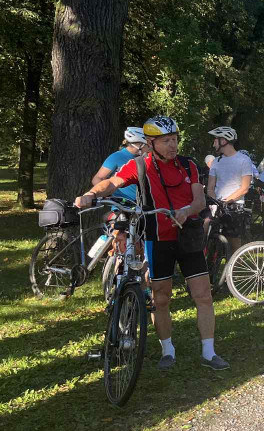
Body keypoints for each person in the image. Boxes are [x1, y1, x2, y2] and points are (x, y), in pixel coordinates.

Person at [75, 116, 227, 371]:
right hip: (157, 239)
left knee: (203, 295)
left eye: (175, 140)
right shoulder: (140, 165)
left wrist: (186, 210)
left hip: (188, 237)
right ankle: (168, 351)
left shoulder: (188, 165)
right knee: (161, 298)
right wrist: (91, 194)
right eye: (166, 141)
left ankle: (209, 352)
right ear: (150, 142)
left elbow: (199, 200)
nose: (172, 145)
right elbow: (111, 182)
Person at [206, 126, 252, 255]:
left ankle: (235, 271)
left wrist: (227, 201)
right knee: (210, 238)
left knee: (234, 244)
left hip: (235, 206)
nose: (214, 142)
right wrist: (215, 202)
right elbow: (210, 186)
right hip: (217, 205)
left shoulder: (244, 160)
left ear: (224, 141)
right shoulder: (216, 162)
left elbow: (244, 187)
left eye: (216, 139)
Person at [92, 127, 149, 203]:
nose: (149, 148)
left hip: (143, 203)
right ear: (139, 145)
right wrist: (110, 195)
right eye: (147, 145)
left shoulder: (143, 158)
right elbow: (98, 178)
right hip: (123, 205)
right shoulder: (117, 156)